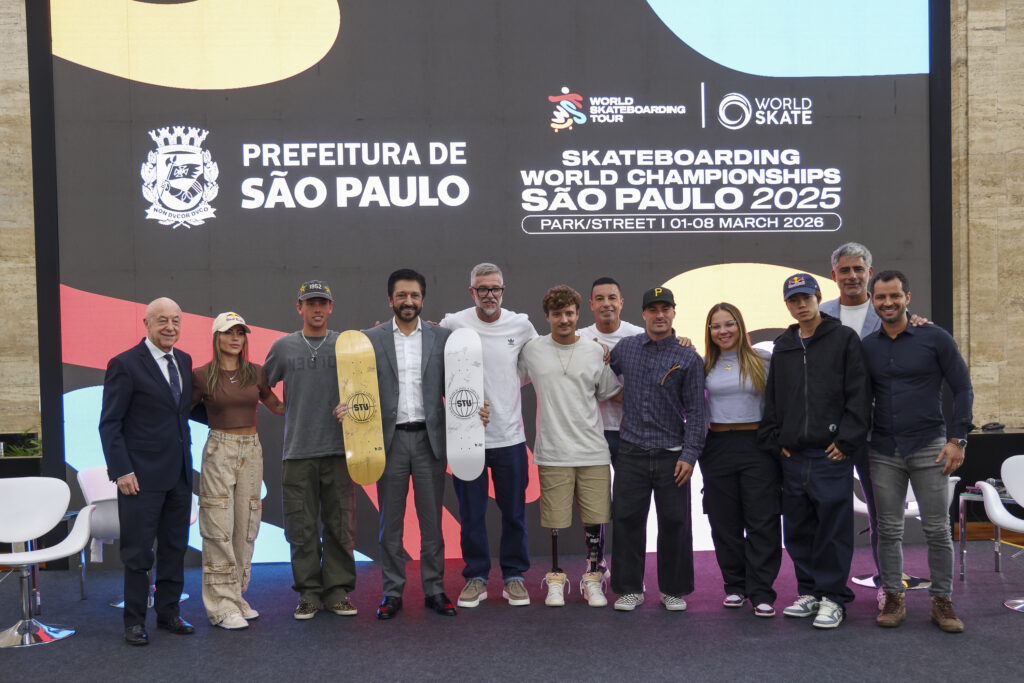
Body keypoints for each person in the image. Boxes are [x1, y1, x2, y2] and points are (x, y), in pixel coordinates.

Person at [356, 268, 480, 620]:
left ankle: (435, 590)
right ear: (390, 299)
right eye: (401, 295)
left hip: (430, 442)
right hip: (389, 443)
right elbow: (359, 389)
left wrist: (475, 411)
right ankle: (392, 593)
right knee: (390, 527)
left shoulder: (444, 339)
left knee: (432, 525)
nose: (408, 301)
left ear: (423, 299)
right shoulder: (370, 339)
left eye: (414, 295)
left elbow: (459, 391)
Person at [758, 273, 871, 629]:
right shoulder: (784, 346)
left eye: (807, 298)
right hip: (793, 457)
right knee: (799, 530)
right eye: (794, 300)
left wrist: (847, 441)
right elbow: (773, 399)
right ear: (787, 305)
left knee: (832, 531)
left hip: (830, 455)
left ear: (819, 298)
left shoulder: (843, 339)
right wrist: (777, 441)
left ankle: (834, 598)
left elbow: (859, 394)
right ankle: (809, 591)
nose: (801, 305)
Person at [863, 271, 973, 633]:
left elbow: (962, 388)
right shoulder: (869, 346)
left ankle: (942, 601)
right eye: (880, 297)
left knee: (937, 529)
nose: (888, 303)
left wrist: (958, 440)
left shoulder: (935, 337)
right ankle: (893, 596)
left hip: (930, 447)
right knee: (888, 529)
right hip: (883, 449)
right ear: (873, 300)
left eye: (895, 296)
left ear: (907, 297)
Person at [439, 263, 537, 608]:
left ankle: (513, 577)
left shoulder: (521, 325)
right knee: (472, 514)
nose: (490, 295)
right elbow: (433, 367)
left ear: (503, 290)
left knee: (514, 514)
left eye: (495, 288)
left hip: (510, 437)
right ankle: (476, 578)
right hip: (468, 438)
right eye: (483, 289)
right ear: (472, 292)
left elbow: (536, 364)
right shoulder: (454, 324)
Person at [99, 297, 196, 645]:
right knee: (139, 553)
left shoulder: (183, 361)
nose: (170, 327)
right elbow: (110, 424)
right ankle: (134, 622)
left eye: (175, 320)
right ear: (147, 323)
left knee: (174, 548)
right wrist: (121, 470)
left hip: (180, 475)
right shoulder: (124, 364)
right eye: (162, 321)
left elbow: (179, 414)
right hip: (139, 478)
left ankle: (169, 613)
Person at [518, 285, 622, 607]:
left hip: (593, 450)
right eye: (557, 314)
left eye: (569, 313)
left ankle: (592, 577)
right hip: (552, 450)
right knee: (555, 522)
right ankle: (555, 577)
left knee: (596, 518)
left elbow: (609, 392)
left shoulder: (594, 350)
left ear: (578, 314)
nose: (564, 319)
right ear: (547, 316)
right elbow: (507, 381)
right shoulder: (532, 350)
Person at [609, 287, 708, 613]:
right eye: (653, 309)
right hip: (631, 452)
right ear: (644, 315)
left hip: (672, 456)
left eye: (666, 308)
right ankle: (628, 589)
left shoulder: (688, 357)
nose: (660, 315)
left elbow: (697, 411)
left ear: (674, 313)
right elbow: (601, 375)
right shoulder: (626, 348)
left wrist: (689, 455)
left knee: (676, 523)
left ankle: (673, 589)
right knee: (626, 522)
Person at [264, 280, 358, 620]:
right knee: (301, 528)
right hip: (298, 453)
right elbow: (262, 383)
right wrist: (280, 407)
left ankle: (337, 592)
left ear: (331, 307)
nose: (317, 309)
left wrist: (352, 407)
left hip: (339, 451)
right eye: (310, 303)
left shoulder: (347, 345)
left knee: (339, 526)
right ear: (299, 307)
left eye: (323, 303)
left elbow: (366, 389)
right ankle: (308, 594)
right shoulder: (284, 346)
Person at [191, 312, 284, 630]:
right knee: (218, 527)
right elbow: (182, 410)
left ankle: (235, 595)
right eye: (229, 332)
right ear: (216, 337)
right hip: (219, 449)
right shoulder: (202, 375)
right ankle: (220, 606)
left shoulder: (256, 373)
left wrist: (313, 398)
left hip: (252, 451)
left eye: (241, 332)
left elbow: (277, 405)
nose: (235, 337)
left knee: (246, 525)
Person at [701, 302, 781, 617]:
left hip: (757, 445)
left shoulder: (764, 360)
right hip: (717, 446)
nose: (723, 331)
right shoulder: (704, 365)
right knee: (724, 522)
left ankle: (761, 591)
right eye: (716, 326)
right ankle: (735, 586)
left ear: (740, 326)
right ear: (709, 331)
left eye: (729, 324)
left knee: (762, 520)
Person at [577, 277, 644, 460]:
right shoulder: (579, 338)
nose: (606, 304)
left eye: (612, 298)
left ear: (621, 303)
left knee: (628, 489)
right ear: (591, 304)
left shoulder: (640, 336)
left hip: (631, 430)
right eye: (600, 299)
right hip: (591, 430)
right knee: (595, 490)